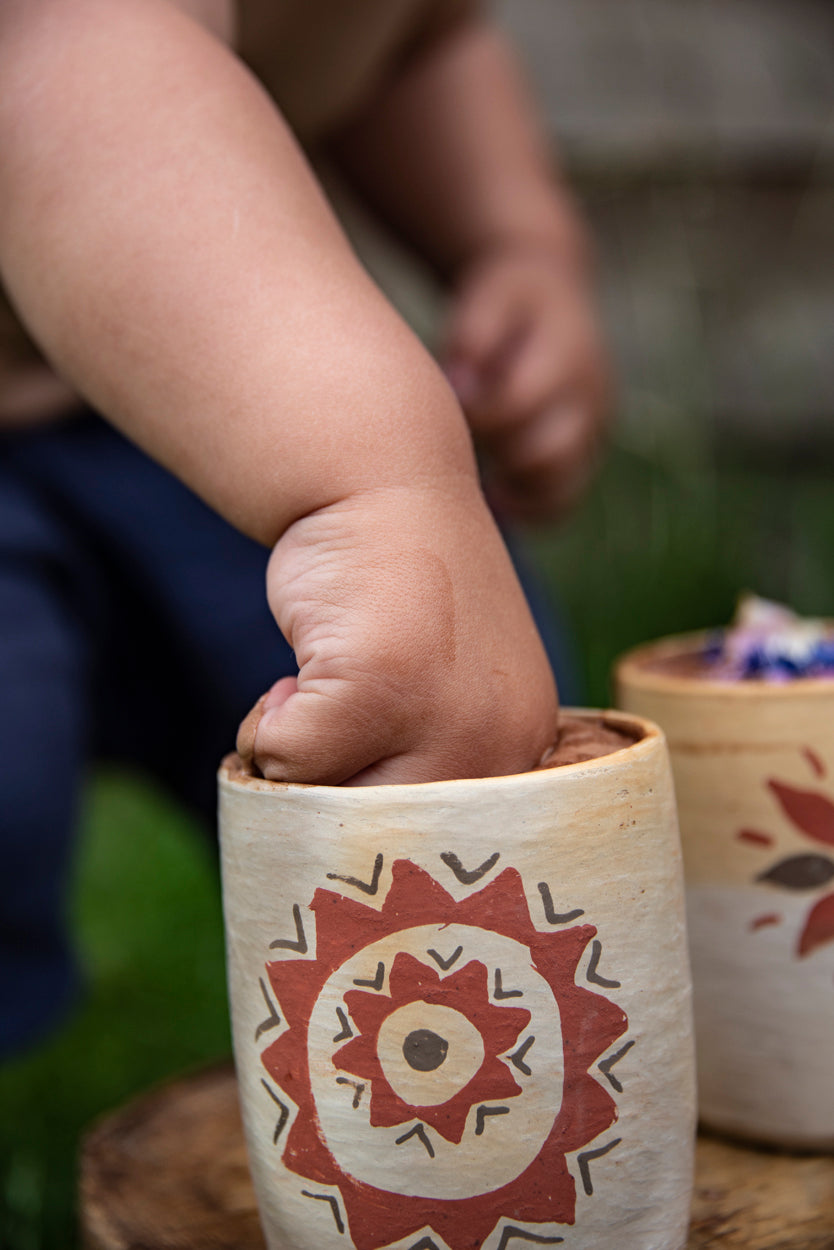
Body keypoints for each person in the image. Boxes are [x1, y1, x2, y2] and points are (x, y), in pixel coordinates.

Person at [0, 0, 608, 1055]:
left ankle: (427, 1069)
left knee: (458, 740)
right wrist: (374, 492)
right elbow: (60, 47)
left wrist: (514, 240)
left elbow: (414, 35)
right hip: (207, 361)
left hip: (185, 370)